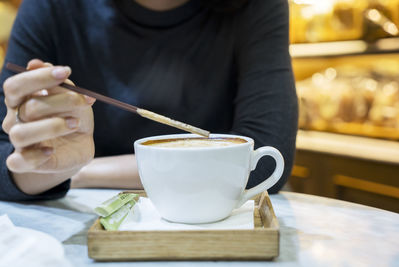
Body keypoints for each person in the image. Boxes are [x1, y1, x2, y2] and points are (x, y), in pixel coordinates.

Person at [0, 0, 298, 201]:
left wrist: (77, 172)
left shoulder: (257, 6)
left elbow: (266, 159)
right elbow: (4, 156)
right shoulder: (51, 6)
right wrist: (49, 162)